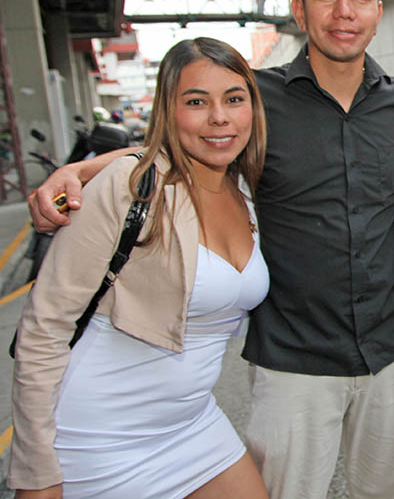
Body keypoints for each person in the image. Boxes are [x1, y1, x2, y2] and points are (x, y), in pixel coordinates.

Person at [27, 0, 394, 499]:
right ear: (299, 8)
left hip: (388, 349)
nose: (344, 11)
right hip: (294, 359)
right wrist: (82, 170)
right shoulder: (252, 100)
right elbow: (174, 147)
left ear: (379, 11)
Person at [9, 37, 270, 499]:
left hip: (193, 425)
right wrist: (36, 470)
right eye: (196, 101)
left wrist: (86, 167)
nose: (219, 117)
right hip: (99, 439)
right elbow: (44, 327)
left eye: (234, 99)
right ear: (168, 111)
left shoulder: (247, 186)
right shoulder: (130, 188)